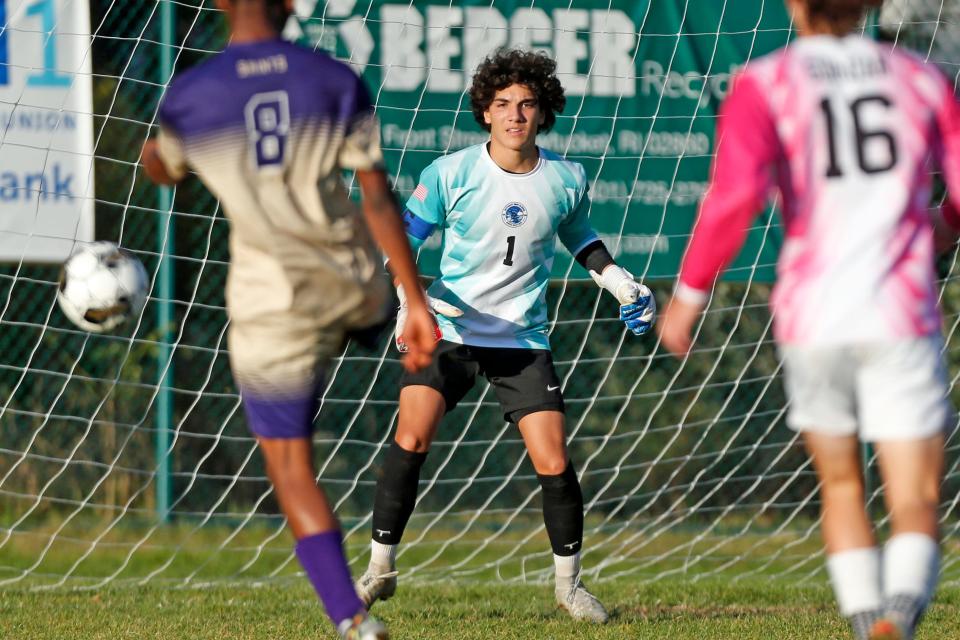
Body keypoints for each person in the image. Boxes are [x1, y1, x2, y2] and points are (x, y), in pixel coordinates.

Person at [658, 1, 960, 639]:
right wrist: (941, 226)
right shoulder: (920, 77)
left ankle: (863, 624)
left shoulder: (765, 82)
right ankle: (900, 618)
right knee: (915, 499)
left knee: (843, 486)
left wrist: (690, 292)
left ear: (796, 5)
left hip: (813, 316)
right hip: (900, 312)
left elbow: (734, 196)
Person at [140, 1, 437, 638]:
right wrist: (413, 301)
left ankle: (352, 620)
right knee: (357, 309)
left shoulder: (191, 97)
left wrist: (162, 156)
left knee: (289, 465)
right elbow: (377, 195)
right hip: (354, 283)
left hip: (273, 298)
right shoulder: (333, 78)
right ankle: (372, 324)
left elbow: (162, 168)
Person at [354, 47, 656, 624]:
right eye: (502, 105)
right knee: (411, 438)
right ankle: (380, 569)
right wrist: (406, 305)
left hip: (521, 339)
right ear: (484, 113)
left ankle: (569, 586)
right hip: (447, 325)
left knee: (553, 459)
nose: (515, 114)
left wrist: (621, 284)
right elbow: (402, 244)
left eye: (527, 104)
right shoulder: (452, 173)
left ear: (543, 113)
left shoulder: (567, 178)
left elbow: (580, 235)